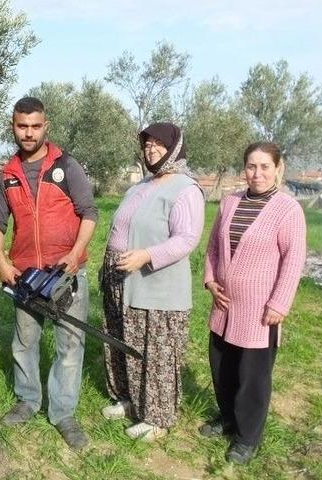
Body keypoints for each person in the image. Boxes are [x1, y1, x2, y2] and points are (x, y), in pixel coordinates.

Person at [0, 96, 98, 450]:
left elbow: (90, 213)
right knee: (25, 342)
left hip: (66, 274)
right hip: (26, 277)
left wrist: (74, 253)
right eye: (22, 126)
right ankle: (27, 400)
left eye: (35, 126)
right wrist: (1, 262)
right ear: (13, 126)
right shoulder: (8, 175)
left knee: (70, 344)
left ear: (45, 126)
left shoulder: (67, 166)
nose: (29, 132)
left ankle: (64, 413)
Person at [201, 141, 307, 464]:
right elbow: (214, 248)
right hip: (224, 305)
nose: (256, 173)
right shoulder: (231, 201)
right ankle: (228, 418)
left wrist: (279, 303)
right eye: (251, 166)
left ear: (279, 168)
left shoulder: (288, 209)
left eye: (264, 166)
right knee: (222, 367)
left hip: (260, 311)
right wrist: (209, 280)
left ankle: (247, 437)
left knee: (253, 376)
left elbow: (293, 259)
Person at [100, 123, 205, 442]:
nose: (151, 149)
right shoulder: (142, 185)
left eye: (159, 144)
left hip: (155, 284)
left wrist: (146, 255)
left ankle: (157, 417)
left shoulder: (185, 189)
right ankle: (129, 400)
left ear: (175, 147)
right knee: (122, 341)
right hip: (121, 278)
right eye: (147, 144)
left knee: (155, 350)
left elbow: (187, 239)